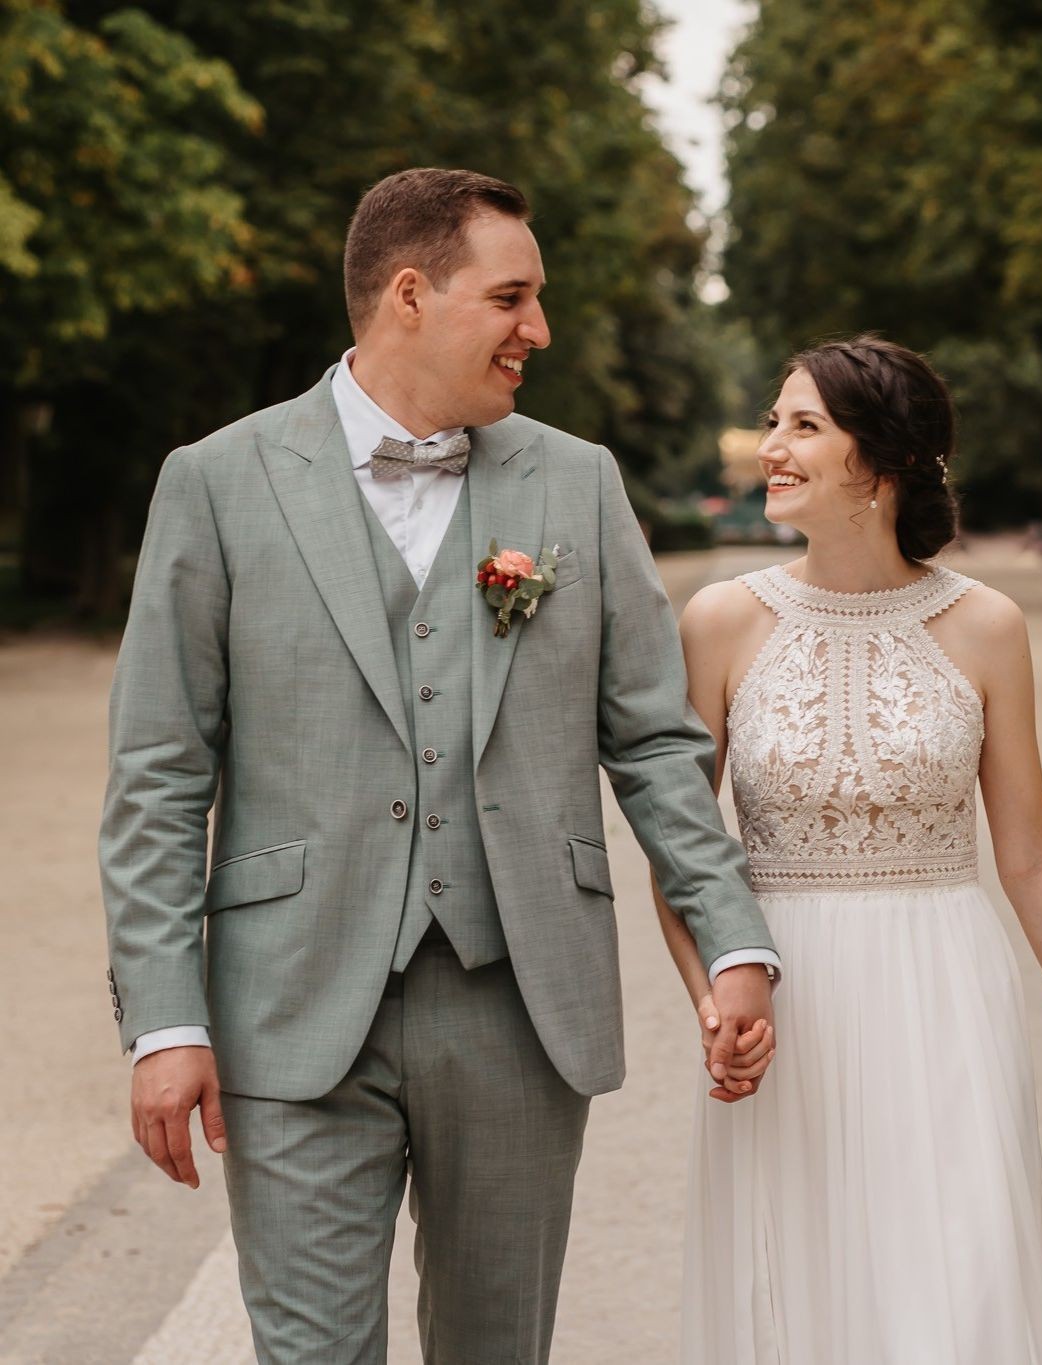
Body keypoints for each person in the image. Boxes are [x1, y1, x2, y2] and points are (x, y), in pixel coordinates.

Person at [99, 166, 780, 1364]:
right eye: (512, 297)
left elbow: (658, 743)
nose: (540, 331)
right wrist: (163, 1021)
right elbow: (160, 777)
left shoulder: (575, 481)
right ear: (409, 294)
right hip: (289, 1006)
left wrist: (732, 940)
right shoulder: (214, 483)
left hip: (520, 1001)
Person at [656, 335, 1042, 1362]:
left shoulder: (987, 626)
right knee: (797, 1301)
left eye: (804, 426)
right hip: (784, 1000)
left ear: (884, 461)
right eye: (776, 420)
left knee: (955, 1296)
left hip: (944, 994)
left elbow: (1033, 856)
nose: (772, 445)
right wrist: (712, 996)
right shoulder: (723, 622)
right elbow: (684, 851)